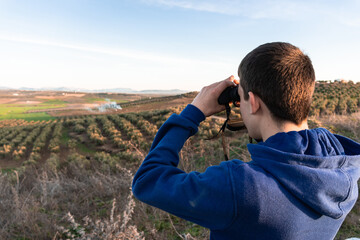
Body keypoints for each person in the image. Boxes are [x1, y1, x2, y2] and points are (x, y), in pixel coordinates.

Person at [132, 42, 360, 239]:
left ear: (253, 102)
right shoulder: (340, 163)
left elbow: (147, 180)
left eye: (240, 98)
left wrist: (194, 111)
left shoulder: (241, 187)